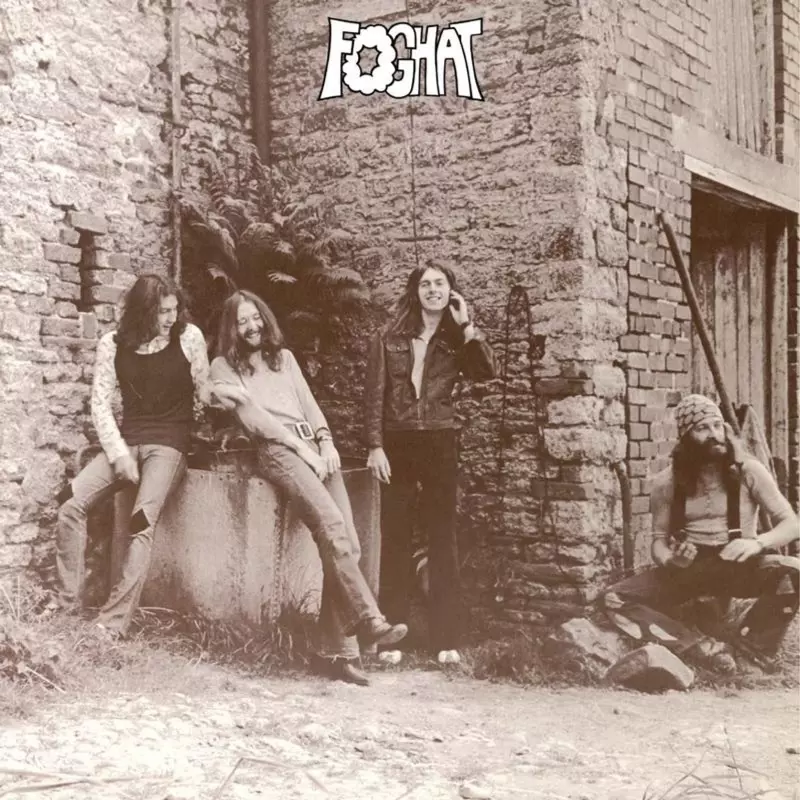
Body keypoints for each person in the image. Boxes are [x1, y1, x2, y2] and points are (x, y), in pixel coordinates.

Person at [209, 290, 407, 686]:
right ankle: (368, 621)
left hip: (313, 447)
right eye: (242, 321)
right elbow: (256, 419)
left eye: (256, 317)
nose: (252, 327)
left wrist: (326, 443)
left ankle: (332, 653)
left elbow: (309, 403)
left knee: (347, 542)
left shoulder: (284, 359)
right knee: (331, 527)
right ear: (231, 329)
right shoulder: (223, 368)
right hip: (278, 451)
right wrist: (303, 450)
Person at [55, 274, 245, 638]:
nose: (171, 318)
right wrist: (118, 454)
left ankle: (111, 623)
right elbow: (100, 405)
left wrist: (226, 394)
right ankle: (67, 607)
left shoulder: (188, 338)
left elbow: (203, 391)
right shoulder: (112, 344)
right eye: (163, 312)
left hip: (170, 444)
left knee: (141, 522)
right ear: (143, 312)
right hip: (127, 442)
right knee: (69, 503)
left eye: (175, 309)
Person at [602, 394, 799, 671]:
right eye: (702, 428)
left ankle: (751, 653)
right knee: (613, 598)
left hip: (740, 566)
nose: (714, 435)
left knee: (795, 571)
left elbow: (792, 523)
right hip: (690, 571)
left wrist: (756, 543)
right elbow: (658, 542)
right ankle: (700, 648)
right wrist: (672, 560)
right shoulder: (666, 483)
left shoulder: (749, 472)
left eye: (717, 426)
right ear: (685, 437)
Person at [364, 262, 497, 665]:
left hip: (440, 440)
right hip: (399, 441)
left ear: (451, 292)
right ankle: (393, 634)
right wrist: (375, 445)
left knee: (443, 537)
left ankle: (446, 638)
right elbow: (374, 394)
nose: (433, 290)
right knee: (395, 535)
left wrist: (467, 325)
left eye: (440, 284)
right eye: (425, 284)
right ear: (415, 291)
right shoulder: (388, 336)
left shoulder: (457, 338)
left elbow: (485, 372)